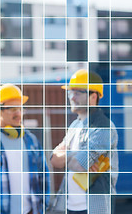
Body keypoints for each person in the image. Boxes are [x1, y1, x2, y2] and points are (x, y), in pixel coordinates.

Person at [0, 84, 50, 214]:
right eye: (12, 109)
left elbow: (44, 178)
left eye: (20, 108)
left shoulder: (32, 142)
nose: (18, 113)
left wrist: (40, 209)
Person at [51, 69, 118, 214]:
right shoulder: (74, 126)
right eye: (70, 92)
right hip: (68, 206)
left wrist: (69, 157)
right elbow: (53, 160)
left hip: (94, 208)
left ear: (93, 96)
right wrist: (76, 155)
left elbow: (79, 165)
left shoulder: (103, 126)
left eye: (77, 93)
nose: (71, 97)